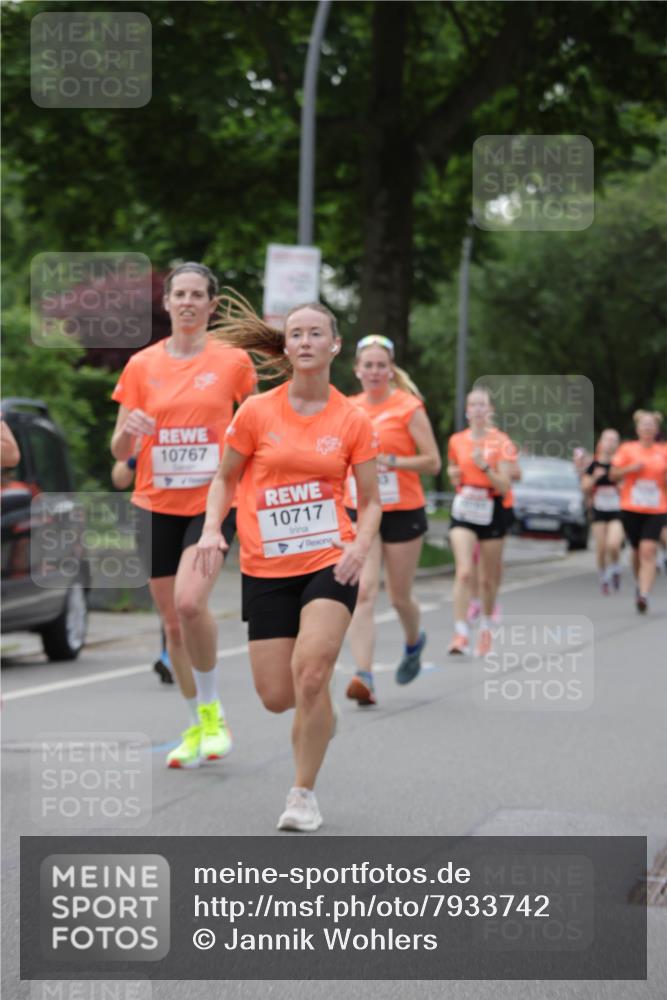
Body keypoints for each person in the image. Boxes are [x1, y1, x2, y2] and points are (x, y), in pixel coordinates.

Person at [195, 296, 381, 832]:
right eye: (295, 333)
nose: (304, 341)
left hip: (330, 557)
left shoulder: (351, 418)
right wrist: (212, 529)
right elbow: (225, 479)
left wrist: (359, 547)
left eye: (315, 333)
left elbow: (370, 500)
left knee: (312, 670)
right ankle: (320, 711)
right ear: (286, 345)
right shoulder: (255, 411)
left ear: (334, 345)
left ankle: (302, 795)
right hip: (266, 562)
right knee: (279, 697)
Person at [110, 262, 257, 766]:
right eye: (181, 294)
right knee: (172, 623)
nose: (189, 302)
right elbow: (117, 448)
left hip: (213, 502)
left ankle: (214, 713)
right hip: (154, 502)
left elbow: (257, 425)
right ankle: (197, 723)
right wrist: (129, 429)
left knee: (191, 603)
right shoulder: (141, 366)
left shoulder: (234, 361)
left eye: (199, 295)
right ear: (167, 303)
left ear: (212, 306)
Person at [343, 334, 441, 706]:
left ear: (391, 369)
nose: (374, 371)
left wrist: (392, 462)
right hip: (362, 507)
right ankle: (363, 675)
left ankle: (414, 641)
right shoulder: (348, 408)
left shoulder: (408, 407)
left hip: (402, 509)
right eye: (367, 365)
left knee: (399, 596)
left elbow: (433, 462)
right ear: (357, 370)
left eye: (381, 365)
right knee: (364, 590)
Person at [446, 388, 513, 657]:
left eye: (482, 405)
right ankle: (461, 632)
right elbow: (454, 473)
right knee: (464, 571)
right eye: (472, 404)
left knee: (487, 579)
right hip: (464, 506)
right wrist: (454, 475)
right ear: (466, 411)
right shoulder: (456, 440)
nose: (477, 409)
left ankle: (485, 630)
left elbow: (506, 486)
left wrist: (485, 467)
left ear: (490, 411)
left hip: (491, 506)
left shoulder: (502, 442)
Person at [111, 450, 174, 683]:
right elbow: (119, 478)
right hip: (153, 516)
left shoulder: (203, 422)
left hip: (193, 514)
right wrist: (133, 456)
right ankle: (171, 652)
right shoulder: (147, 425)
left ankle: (177, 654)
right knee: (163, 591)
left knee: (186, 594)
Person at [610, 410, 667, 613]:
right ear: (638, 429)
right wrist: (631, 468)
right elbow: (613, 475)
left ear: (656, 430)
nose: (648, 429)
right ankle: (640, 583)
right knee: (636, 552)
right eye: (644, 425)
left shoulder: (664, 451)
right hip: (631, 508)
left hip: (656, 508)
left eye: (651, 425)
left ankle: (644, 595)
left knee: (648, 550)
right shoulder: (627, 449)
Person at [581, 429, 623, 594]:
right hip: (599, 510)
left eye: (614, 440)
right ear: (601, 442)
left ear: (617, 444)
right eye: (607, 439)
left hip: (617, 510)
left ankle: (615, 566)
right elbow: (584, 487)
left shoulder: (620, 464)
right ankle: (604, 576)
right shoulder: (593, 465)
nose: (610, 443)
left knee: (613, 544)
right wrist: (594, 478)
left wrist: (621, 484)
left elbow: (629, 485)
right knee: (601, 547)